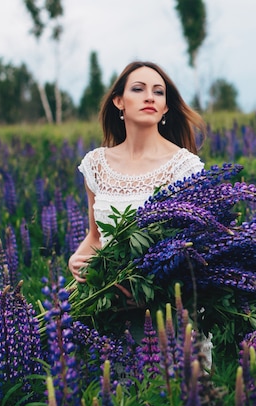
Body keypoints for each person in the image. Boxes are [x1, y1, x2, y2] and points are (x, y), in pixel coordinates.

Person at [68, 61, 206, 281]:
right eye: (138, 89)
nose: (150, 97)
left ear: (165, 107)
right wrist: (76, 260)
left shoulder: (184, 167)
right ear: (119, 101)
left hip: (163, 301)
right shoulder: (96, 164)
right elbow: (96, 237)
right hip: (107, 299)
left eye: (158, 92)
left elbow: (194, 248)